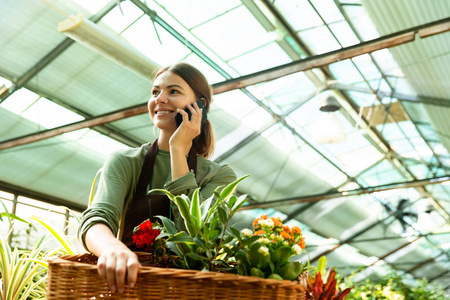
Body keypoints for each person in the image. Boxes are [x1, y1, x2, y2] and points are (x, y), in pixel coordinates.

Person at [78, 62, 236, 293]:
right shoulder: (125, 160)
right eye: (155, 92)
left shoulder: (220, 175)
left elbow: (193, 237)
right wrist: (112, 249)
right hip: (129, 288)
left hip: (188, 292)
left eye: (173, 91)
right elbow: (97, 218)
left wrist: (177, 148)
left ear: (199, 106)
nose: (159, 99)